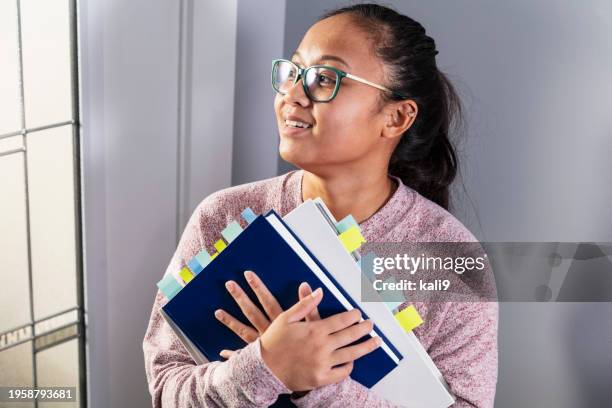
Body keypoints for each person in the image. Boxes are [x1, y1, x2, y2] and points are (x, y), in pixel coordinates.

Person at [143, 3, 498, 407]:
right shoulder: (223, 215)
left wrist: (317, 385)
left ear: (397, 117)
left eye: (325, 78)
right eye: (293, 72)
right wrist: (263, 367)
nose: (292, 94)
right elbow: (165, 390)